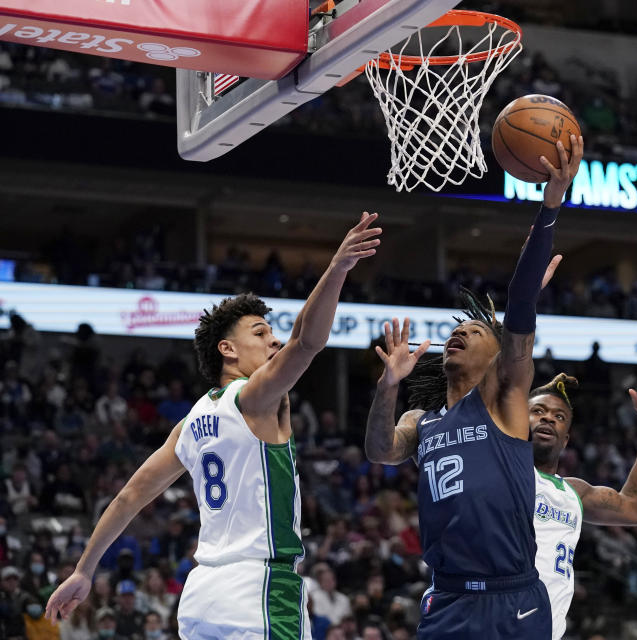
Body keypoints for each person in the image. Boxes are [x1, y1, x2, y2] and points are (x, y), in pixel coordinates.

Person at [44, 212, 384, 639]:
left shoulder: (191, 422)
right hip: (259, 589)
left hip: (202, 594)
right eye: (260, 333)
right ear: (228, 349)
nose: (273, 340)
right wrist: (337, 269)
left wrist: (83, 570)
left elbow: (130, 496)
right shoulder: (255, 397)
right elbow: (307, 341)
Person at [364, 135, 583, 640]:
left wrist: (550, 204)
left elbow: (521, 297)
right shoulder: (421, 422)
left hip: (514, 597)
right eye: (455, 332)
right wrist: (388, 386)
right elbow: (379, 450)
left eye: (475, 331)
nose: (459, 332)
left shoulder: (507, 402)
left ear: (498, 354)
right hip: (448, 598)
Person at [528, 372, 637, 640]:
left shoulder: (573, 491)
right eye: (538, 411)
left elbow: (634, 507)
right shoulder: (497, 473)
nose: (548, 418)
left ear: (566, 440)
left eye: (559, 417)